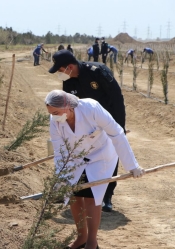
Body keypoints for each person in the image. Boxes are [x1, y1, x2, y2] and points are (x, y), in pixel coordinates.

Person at [44, 90, 145, 249]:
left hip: (100, 156)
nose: (54, 116)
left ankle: (91, 242)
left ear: (68, 107)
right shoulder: (55, 120)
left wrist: (132, 166)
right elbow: (59, 151)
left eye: (56, 112)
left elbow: (117, 133)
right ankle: (81, 238)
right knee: (73, 195)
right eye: (51, 113)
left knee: (92, 197)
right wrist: (60, 177)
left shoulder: (91, 108)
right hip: (75, 157)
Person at [48, 50, 126, 212]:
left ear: (69, 67)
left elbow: (117, 98)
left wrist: (119, 127)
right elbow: (68, 106)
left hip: (107, 121)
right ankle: (80, 191)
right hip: (88, 125)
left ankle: (107, 196)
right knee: (82, 155)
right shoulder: (69, 82)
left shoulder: (97, 72)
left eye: (61, 70)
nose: (60, 74)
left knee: (110, 156)